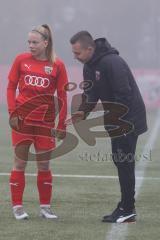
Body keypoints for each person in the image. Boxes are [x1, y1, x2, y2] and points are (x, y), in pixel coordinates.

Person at [69, 31, 147, 223]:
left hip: (128, 119)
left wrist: (117, 121)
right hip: (115, 119)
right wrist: (82, 112)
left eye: (77, 53)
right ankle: (125, 206)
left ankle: (128, 209)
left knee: (124, 163)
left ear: (89, 49)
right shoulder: (89, 66)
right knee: (119, 161)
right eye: (73, 53)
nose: (75, 57)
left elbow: (124, 94)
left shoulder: (113, 62)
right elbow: (91, 94)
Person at [7, 24, 68, 220]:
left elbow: (63, 96)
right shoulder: (21, 60)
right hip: (22, 122)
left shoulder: (58, 65)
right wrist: (12, 112)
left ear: (45, 43)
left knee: (44, 166)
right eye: (29, 42)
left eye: (34, 42)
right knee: (20, 163)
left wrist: (61, 125)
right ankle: (17, 207)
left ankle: (45, 208)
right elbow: (10, 88)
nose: (30, 46)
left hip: (45, 124)